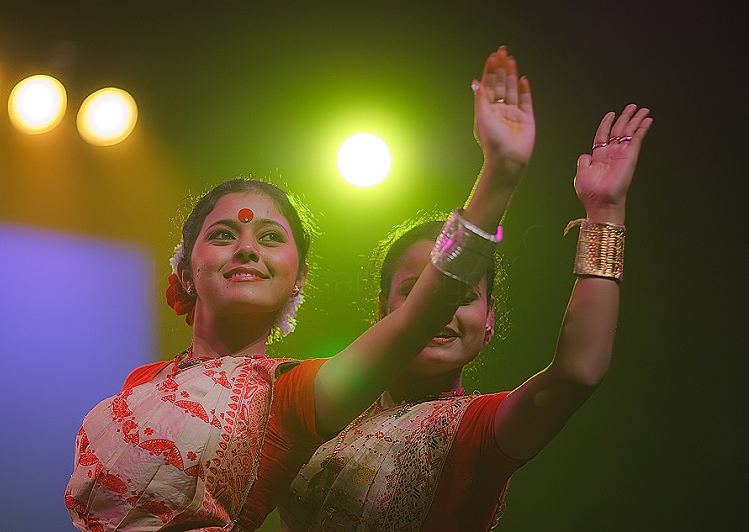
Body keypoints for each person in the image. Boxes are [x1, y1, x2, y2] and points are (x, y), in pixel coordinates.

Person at [64, 44, 535, 531]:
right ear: (185, 270)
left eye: (270, 238)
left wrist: (497, 179)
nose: (247, 249)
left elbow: (419, 316)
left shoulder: (292, 397)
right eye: (224, 234)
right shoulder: (141, 383)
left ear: (298, 279)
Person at [278, 90, 653, 531]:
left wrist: (606, 214)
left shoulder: (477, 431)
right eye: (417, 294)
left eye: (465, 297)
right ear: (386, 312)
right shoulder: (322, 402)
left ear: (490, 320)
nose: (441, 311)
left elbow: (578, 372)